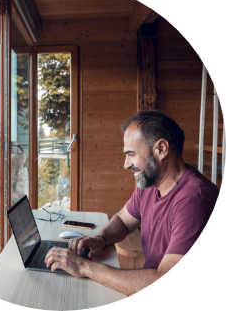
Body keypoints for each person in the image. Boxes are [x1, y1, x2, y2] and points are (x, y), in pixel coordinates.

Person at [44, 110, 220, 296]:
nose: (126, 164)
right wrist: (101, 239)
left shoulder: (194, 201)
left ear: (161, 149)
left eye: (131, 154)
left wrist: (84, 267)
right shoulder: (152, 184)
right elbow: (123, 219)